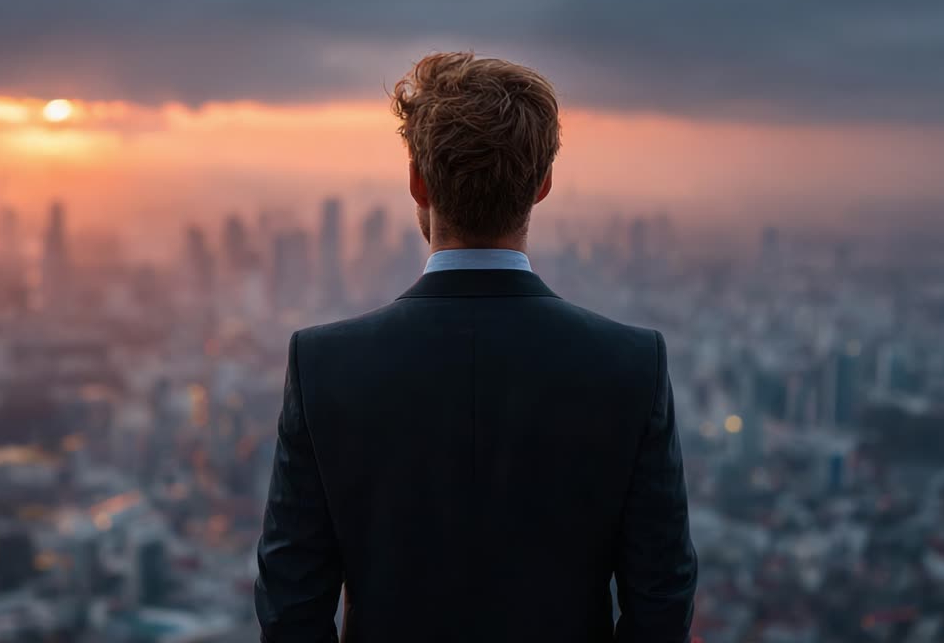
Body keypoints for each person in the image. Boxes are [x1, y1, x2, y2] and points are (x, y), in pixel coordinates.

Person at [255, 52, 697, 642]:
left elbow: (291, 610)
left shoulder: (324, 365)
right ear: (542, 186)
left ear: (417, 180)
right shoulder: (630, 365)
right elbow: (660, 603)